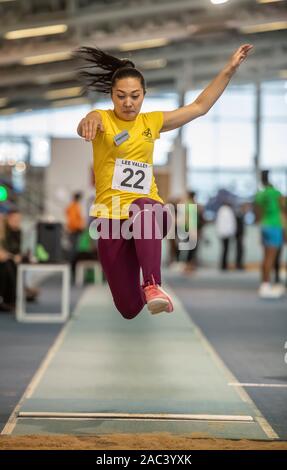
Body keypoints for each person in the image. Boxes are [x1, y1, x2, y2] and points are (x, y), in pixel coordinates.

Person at [76, 43, 253, 319]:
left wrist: (229, 70)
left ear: (144, 95)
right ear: (111, 95)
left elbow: (199, 106)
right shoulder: (103, 119)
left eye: (135, 96)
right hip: (110, 220)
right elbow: (88, 120)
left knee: (145, 206)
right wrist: (88, 119)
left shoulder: (151, 122)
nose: (128, 102)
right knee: (128, 309)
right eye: (121, 96)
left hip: (150, 211)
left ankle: (152, 285)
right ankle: (141, 292)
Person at [255, 170, 285, 298]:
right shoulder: (277, 194)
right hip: (274, 226)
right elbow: (283, 209)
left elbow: (257, 211)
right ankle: (266, 285)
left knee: (265, 256)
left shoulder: (260, 195)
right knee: (271, 258)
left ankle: (264, 284)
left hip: (264, 225)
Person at [65, 192, 85, 281]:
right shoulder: (74, 206)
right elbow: (73, 221)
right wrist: (79, 227)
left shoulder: (74, 206)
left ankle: (73, 271)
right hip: (74, 232)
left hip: (75, 231)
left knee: (74, 251)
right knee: (73, 252)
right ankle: (71, 271)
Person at [215, 201, 237, 270]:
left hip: (222, 233)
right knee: (225, 250)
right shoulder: (228, 211)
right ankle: (224, 265)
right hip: (226, 233)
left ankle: (223, 264)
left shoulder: (220, 211)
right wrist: (231, 232)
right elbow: (230, 223)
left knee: (224, 249)